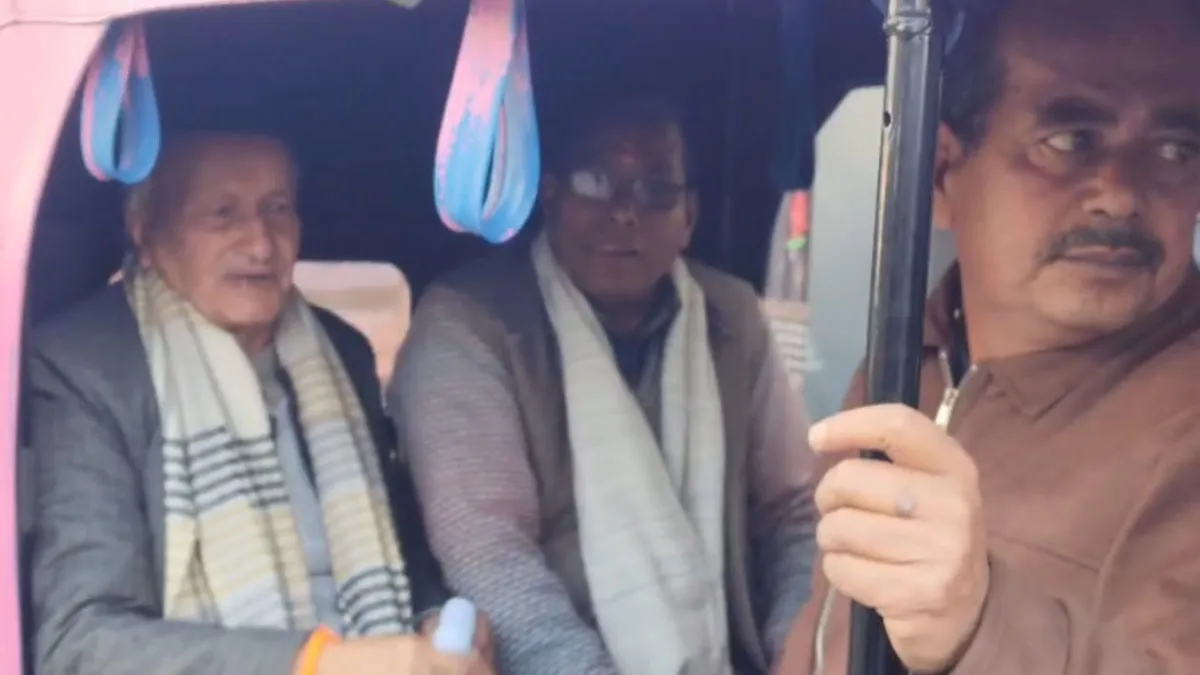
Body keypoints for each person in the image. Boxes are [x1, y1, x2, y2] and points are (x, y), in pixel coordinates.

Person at [776, 0, 1200, 673]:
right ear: (942, 171)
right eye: (1072, 141)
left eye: (1176, 150)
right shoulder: (905, 364)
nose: (1120, 195)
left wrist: (979, 625)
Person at [28, 132, 494, 675]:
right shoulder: (85, 366)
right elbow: (82, 641)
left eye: (278, 210)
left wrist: (436, 620)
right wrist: (321, 665)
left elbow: (403, 547)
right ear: (146, 232)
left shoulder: (341, 349)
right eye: (222, 215)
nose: (261, 245)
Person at [389, 97, 817, 675]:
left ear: (689, 216)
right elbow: (486, 551)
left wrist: (802, 649)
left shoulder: (732, 317)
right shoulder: (468, 324)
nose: (625, 212)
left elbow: (792, 510)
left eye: (656, 190)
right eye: (596, 181)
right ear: (550, 196)